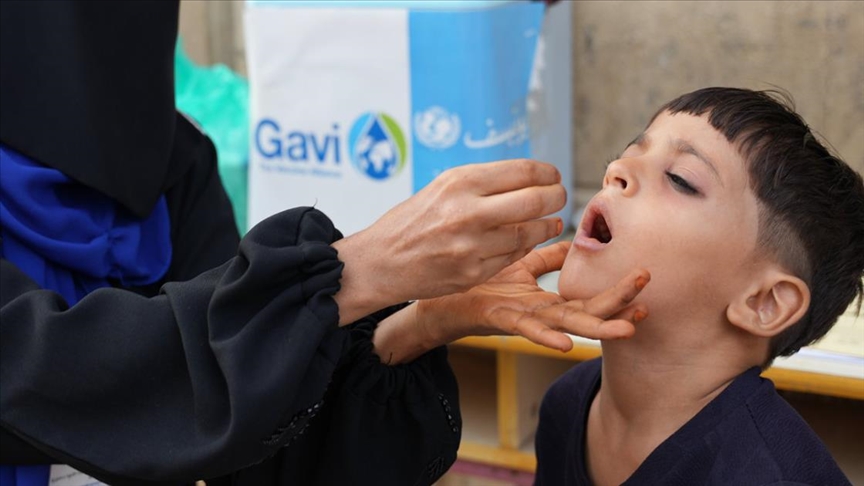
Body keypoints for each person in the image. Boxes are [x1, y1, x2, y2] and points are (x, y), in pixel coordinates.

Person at [0, 2, 647, 485]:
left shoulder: (170, 166)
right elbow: (44, 370)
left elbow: (252, 433)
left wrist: (420, 324)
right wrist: (353, 273)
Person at [525, 87, 862, 485]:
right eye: (629, 154)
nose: (616, 169)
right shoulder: (565, 404)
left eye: (680, 179)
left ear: (764, 302)